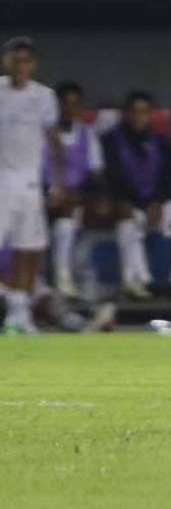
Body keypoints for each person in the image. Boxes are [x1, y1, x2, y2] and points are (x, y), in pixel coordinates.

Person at [101, 90, 171, 299]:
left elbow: (169, 181)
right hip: (129, 206)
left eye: (144, 112)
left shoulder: (160, 141)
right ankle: (144, 280)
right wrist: (135, 204)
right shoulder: (111, 141)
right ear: (126, 114)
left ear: (151, 115)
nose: (139, 116)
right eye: (134, 111)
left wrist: (158, 203)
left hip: (158, 204)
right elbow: (113, 179)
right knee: (125, 216)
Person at [0, 37, 62, 334]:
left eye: (25, 61)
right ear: (6, 61)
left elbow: (53, 142)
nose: (20, 66)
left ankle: (20, 314)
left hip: (29, 184)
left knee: (28, 250)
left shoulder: (44, 97)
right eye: (15, 59)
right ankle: (13, 301)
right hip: (1, 183)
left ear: (33, 65)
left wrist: (58, 182)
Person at [44, 81, 108, 298]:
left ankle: (66, 278)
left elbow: (96, 176)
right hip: (44, 200)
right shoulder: (43, 135)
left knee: (71, 213)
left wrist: (89, 198)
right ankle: (62, 277)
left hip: (78, 200)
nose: (70, 109)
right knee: (64, 212)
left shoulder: (87, 135)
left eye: (75, 104)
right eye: (65, 104)